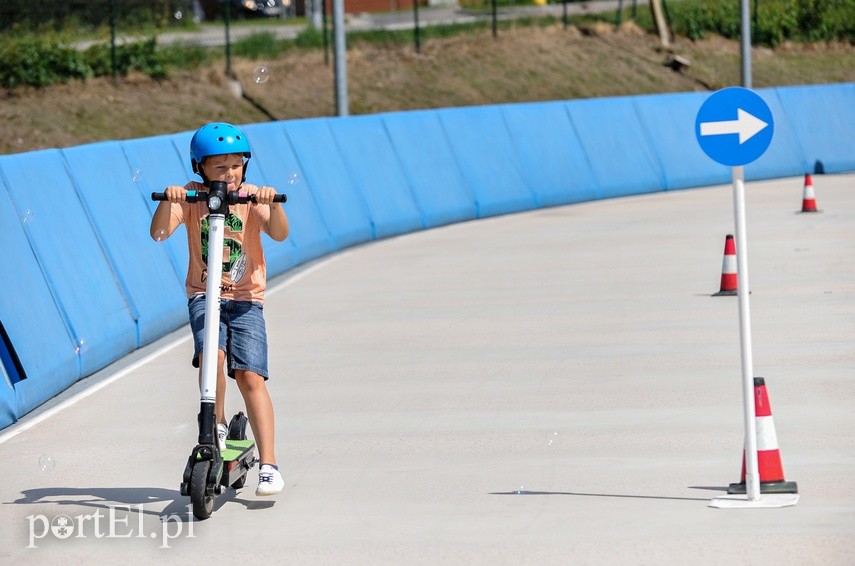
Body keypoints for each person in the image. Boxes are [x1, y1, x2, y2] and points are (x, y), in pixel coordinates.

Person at [149, 122, 289, 496]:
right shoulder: (192, 197)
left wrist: (271, 203)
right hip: (204, 295)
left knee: (250, 377)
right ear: (200, 169)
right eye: (219, 167)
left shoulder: (250, 196)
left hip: (246, 301)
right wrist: (170, 199)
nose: (229, 174)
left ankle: (270, 464)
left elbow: (279, 233)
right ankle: (219, 424)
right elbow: (159, 233)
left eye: (236, 165)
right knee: (212, 355)